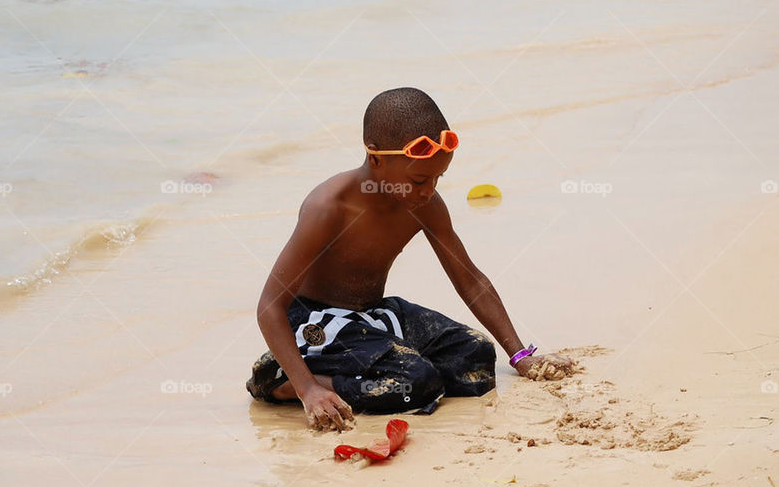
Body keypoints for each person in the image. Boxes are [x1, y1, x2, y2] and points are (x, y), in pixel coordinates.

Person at [246, 87, 575, 430]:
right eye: (419, 179)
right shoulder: (328, 207)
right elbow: (270, 305)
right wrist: (308, 390)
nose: (429, 190)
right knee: (416, 383)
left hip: (372, 316)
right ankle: (285, 380)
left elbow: (469, 278)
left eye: (437, 177)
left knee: (475, 358)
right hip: (316, 323)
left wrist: (520, 356)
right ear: (376, 159)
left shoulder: (424, 204)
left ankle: (373, 367)